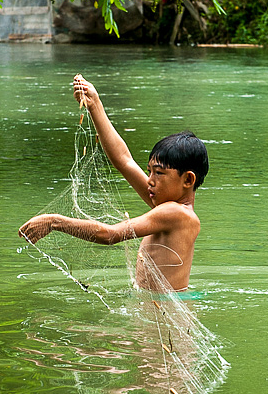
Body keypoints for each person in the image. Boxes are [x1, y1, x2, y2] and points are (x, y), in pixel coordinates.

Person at [18, 74, 208, 291]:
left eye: (159, 173)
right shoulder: (167, 206)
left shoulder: (175, 213)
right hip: (156, 307)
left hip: (165, 314)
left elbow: (110, 234)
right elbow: (124, 161)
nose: (150, 181)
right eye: (149, 172)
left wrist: (54, 222)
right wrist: (95, 106)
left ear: (188, 179)